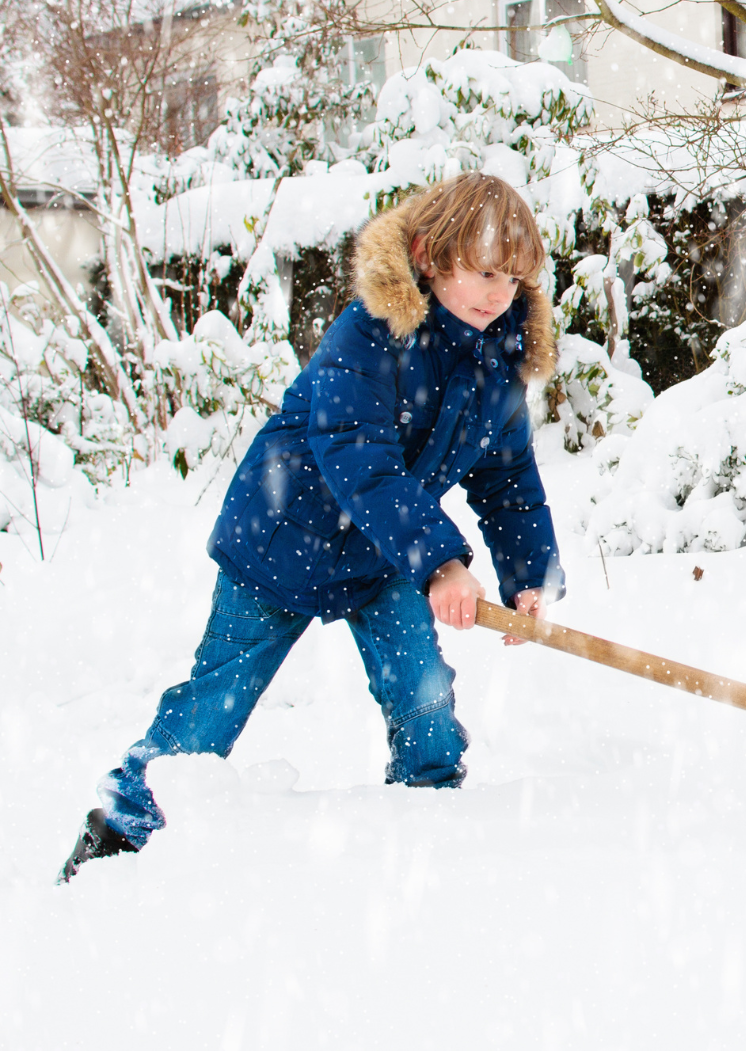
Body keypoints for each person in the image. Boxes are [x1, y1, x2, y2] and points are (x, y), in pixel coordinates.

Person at [59, 172, 564, 883]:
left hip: (384, 556)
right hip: (281, 542)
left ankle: (433, 827)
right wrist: (444, 563)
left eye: (513, 279)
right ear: (428, 255)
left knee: (423, 696)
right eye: (483, 272)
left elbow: (509, 480)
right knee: (213, 706)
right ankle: (118, 835)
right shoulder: (370, 334)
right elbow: (361, 457)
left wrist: (530, 579)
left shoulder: (497, 363)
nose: (498, 293)